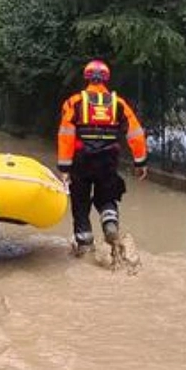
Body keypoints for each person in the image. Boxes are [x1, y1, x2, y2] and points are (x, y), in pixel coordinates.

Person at [56, 59, 147, 271]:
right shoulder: (118, 104)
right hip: (108, 160)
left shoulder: (74, 102)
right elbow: (136, 133)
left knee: (80, 201)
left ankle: (85, 246)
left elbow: (66, 136)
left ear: (86, 78)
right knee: (107, 197)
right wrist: (140, 162)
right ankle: (110, 224)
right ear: (106, 79)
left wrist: (64, 169)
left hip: (81, 160)